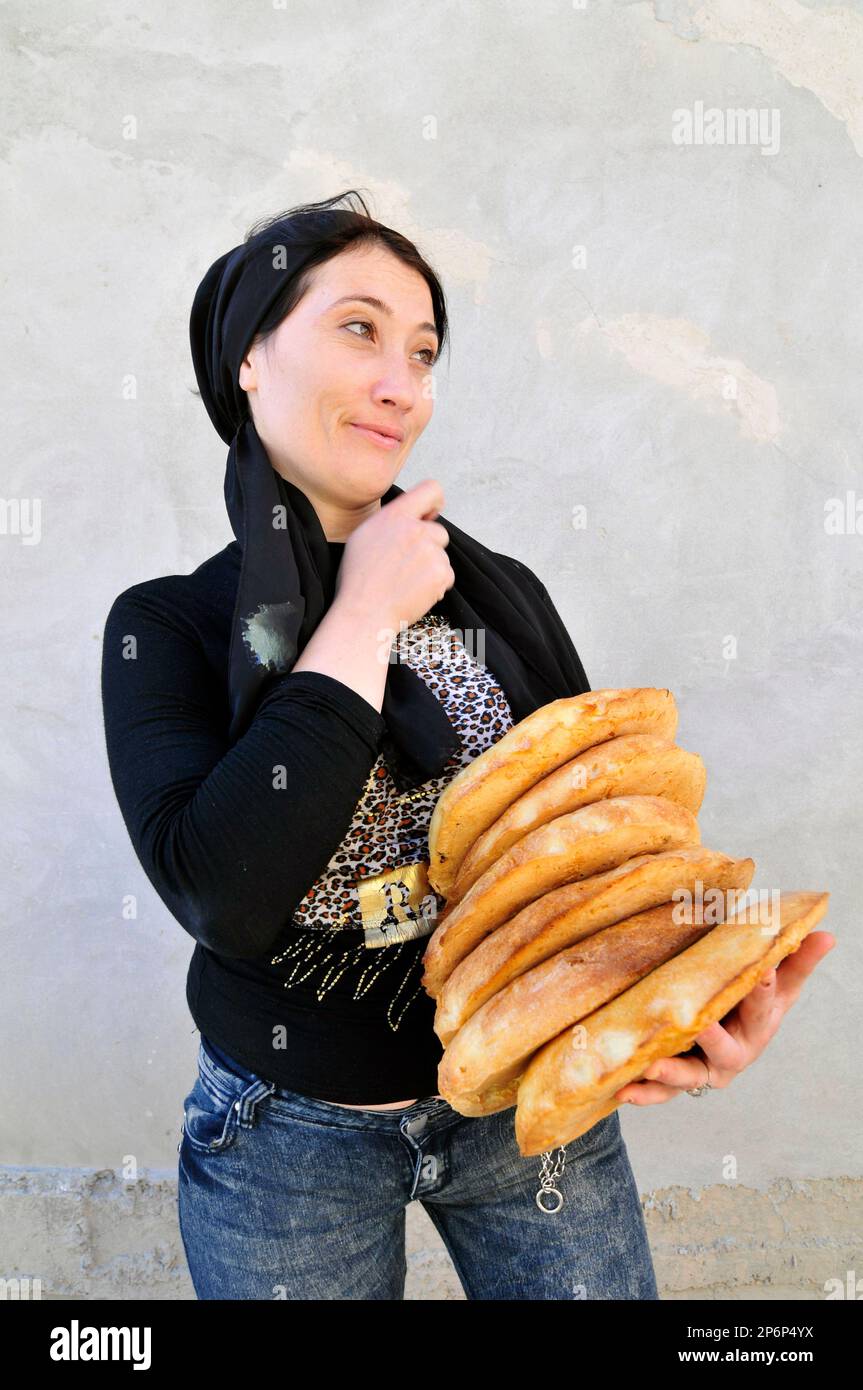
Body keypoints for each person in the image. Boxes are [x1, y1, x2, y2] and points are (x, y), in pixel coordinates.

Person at [100, 191, 832, 1301]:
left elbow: (608, 860)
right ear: (248, 357)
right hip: (286, 1138)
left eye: (424, 349)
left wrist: (687, 1001)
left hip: (525, 1120)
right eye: (359, 328)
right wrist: (359, 618)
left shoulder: (503, 599)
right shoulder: (165, 627)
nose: (404, 382)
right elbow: (225, 894)